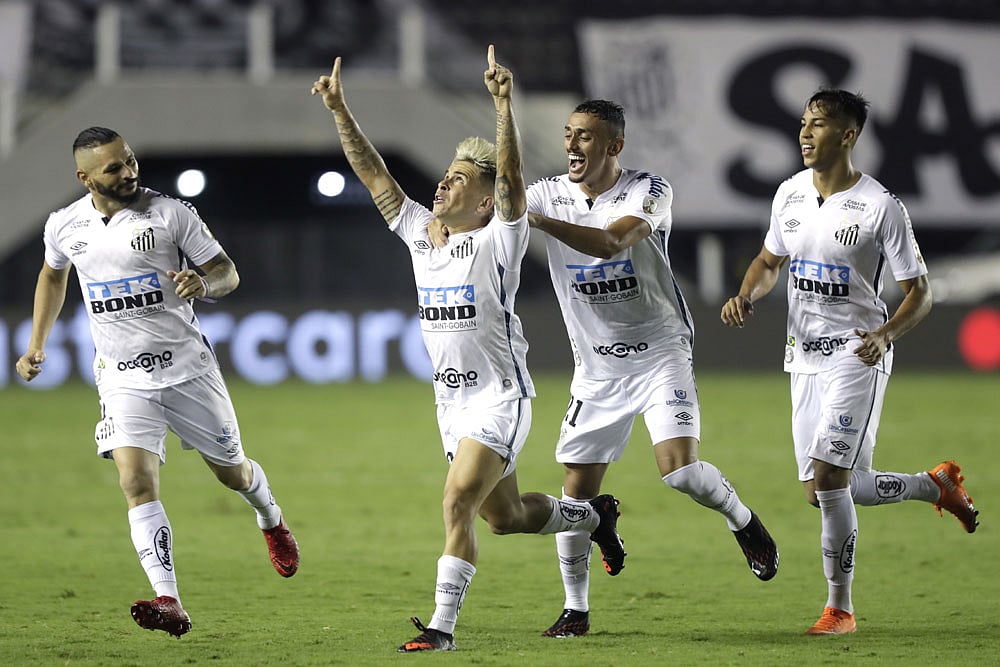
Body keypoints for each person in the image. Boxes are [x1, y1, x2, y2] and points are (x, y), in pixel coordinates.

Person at [310, 46, 626, 653]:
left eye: (457, 179)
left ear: (484, 202)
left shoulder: (499, 238)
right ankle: (592, 516)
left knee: (457, 500)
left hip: (499, 399)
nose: (442, 183)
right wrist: (340, 111)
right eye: (444, 175)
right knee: (504, 518)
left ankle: (442, 629)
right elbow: (375, 175)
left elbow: (510, 182)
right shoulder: (420, 237)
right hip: (450, 406)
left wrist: (503, 106)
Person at [433, 99, 780, 637]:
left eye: (586, 137)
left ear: (614, 146)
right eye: (569, 135)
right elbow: (500, 195)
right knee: (575, 494)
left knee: (681, 471)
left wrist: (531, 219)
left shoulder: (649, 190)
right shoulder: (548, 191)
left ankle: (745, 522)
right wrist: (445, 224)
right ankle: (576, 610)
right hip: (595, 367)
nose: (572, 145)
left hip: (660, 349)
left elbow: (611, 242)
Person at [15, 127, 300, 638]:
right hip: (122, 377)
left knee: (232, 474)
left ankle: (271, 518)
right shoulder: (64, 225)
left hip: (188, 370)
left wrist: (204, 283)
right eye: (113, 168)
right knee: (135, 481)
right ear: (84, 178)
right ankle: (169, 599)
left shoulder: (171, 214)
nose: (128, 173)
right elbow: (53, 275)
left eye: (129, 161)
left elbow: (227, 272)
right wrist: (38, 342)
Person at [720, 88, 979, 635]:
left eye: (818, 124)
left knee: (832, 479)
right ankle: (934, 486)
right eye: (803, 123)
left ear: (848, 135)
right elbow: (770, 260)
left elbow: (920, 292)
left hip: (857, 353)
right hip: (802, 358)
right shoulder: (789, 194)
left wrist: (885, 334)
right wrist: (748, 292)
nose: (805, 134)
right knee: (825, 490)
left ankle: (840, 609)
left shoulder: (881, 206)